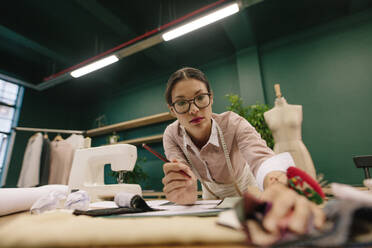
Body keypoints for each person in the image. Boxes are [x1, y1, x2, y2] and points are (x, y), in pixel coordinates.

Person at [161, 67, 324, 240]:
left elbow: (260, 157)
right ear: (172, 109)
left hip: (246, 185)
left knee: (250, 229)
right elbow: (181, 173)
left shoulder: (233, 123)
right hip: (209, 192)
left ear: (211, 98)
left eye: (200, 98)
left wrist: (276, 184)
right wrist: (182, 187)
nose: (193, 109)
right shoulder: (171, 135)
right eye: (181, 103)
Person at [264, 86, 317, 179]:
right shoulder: (268, 114)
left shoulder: (297, 109)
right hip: (279, 152)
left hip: (298, 150)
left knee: (306, 182)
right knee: (283, 182)